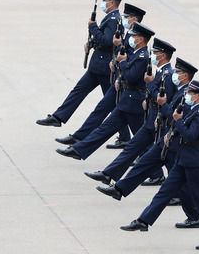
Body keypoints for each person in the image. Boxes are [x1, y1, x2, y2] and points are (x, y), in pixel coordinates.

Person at [119, 80, 199, 250]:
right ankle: (143, 220)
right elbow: (176, 119)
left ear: (198, 96)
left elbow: (190, 135)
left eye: (190, 93)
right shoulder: (193, 109)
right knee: (164, 191)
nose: (187, 95)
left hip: (195, 163)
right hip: (183, 160)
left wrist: (178, 122)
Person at [84, 38, 176, 186]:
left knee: (168, 158)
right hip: (152, 118)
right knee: (132, 149)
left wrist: (150, 84)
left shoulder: (168, 74)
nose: (152, 55)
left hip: (160, 123)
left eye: (156, 53)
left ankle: (175, 189)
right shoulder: (161, 72)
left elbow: (164, 98)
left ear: (163, 55)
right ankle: (109, 175)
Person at [56, 22, 153, 160]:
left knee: (141, 140)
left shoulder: (143, 56)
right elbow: (128, 72)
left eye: (135, 36)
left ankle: (155, 172)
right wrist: (119, 75)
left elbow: (132, 76)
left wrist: (122, 62)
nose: (132, 38)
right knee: (104, 129)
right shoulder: (137, 53)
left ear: (141, 39)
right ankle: (79, 151)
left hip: (134, 101)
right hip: (127, 100)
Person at [36, 0, 125, 128]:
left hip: (104, 68)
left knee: (111, 103)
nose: (103, 3)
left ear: (112, 3)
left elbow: (108, 42)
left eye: (106, 0)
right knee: (78, 91)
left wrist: (93, 27)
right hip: (97, 65)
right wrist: (92, 43)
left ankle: (125, 135)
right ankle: (58, 117)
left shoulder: (114, 19)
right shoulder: (111, 18)